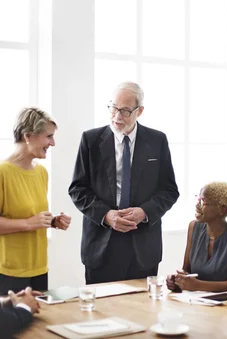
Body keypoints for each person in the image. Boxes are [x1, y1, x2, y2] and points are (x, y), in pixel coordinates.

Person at [69, 81, 180, 284]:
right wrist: (106, 215)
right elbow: (78, 189)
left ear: (140, 111)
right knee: (102, 313)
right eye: (113, 108)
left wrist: (144, 212)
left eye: (126, 111)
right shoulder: (90, 140)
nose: (117, 116)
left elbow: (169, 190)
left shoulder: (157, 141)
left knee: (142, 313)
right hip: (101, 244)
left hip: (143, 246)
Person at [0, 107, 71, 295]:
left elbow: (30, 213)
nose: (53, 143)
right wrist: (28, 223)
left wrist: (53, 222)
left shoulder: (41, 172)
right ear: (28, 136)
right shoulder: (2, 172)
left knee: (39, 321)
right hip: (8, 271)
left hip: (39, 268)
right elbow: (27, 220)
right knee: (14, 323)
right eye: (49, 136)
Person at [166, 182, 227, 292]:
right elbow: (186, 270)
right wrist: (178, 280)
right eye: (198, 200)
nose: (197, 206)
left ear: (222, 209)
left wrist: (198, 285)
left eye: (203, 202)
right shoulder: (194, 227)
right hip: (195, 302)